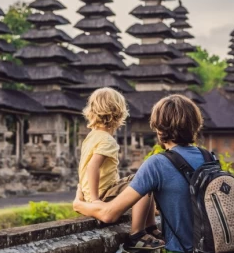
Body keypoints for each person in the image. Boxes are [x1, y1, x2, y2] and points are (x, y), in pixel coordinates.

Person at [74, 94, 204, 253]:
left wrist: (79, 205)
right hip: (215, 246)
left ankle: (137, 235)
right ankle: (150, 228)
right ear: (196, 124)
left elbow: (108, 215)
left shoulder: (156, 163)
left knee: (139, 182)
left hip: (182, 250)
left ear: (159, 128)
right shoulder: (209, 157)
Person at [78, 87, 164, 250]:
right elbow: (92, 166)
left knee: (140, 178)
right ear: (119, 113)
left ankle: (150, 226)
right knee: (144, 183)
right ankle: (137, 234)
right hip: (103, 193)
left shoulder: (91, 136)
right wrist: (96, 200)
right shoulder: (107, 140)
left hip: (93, 191)